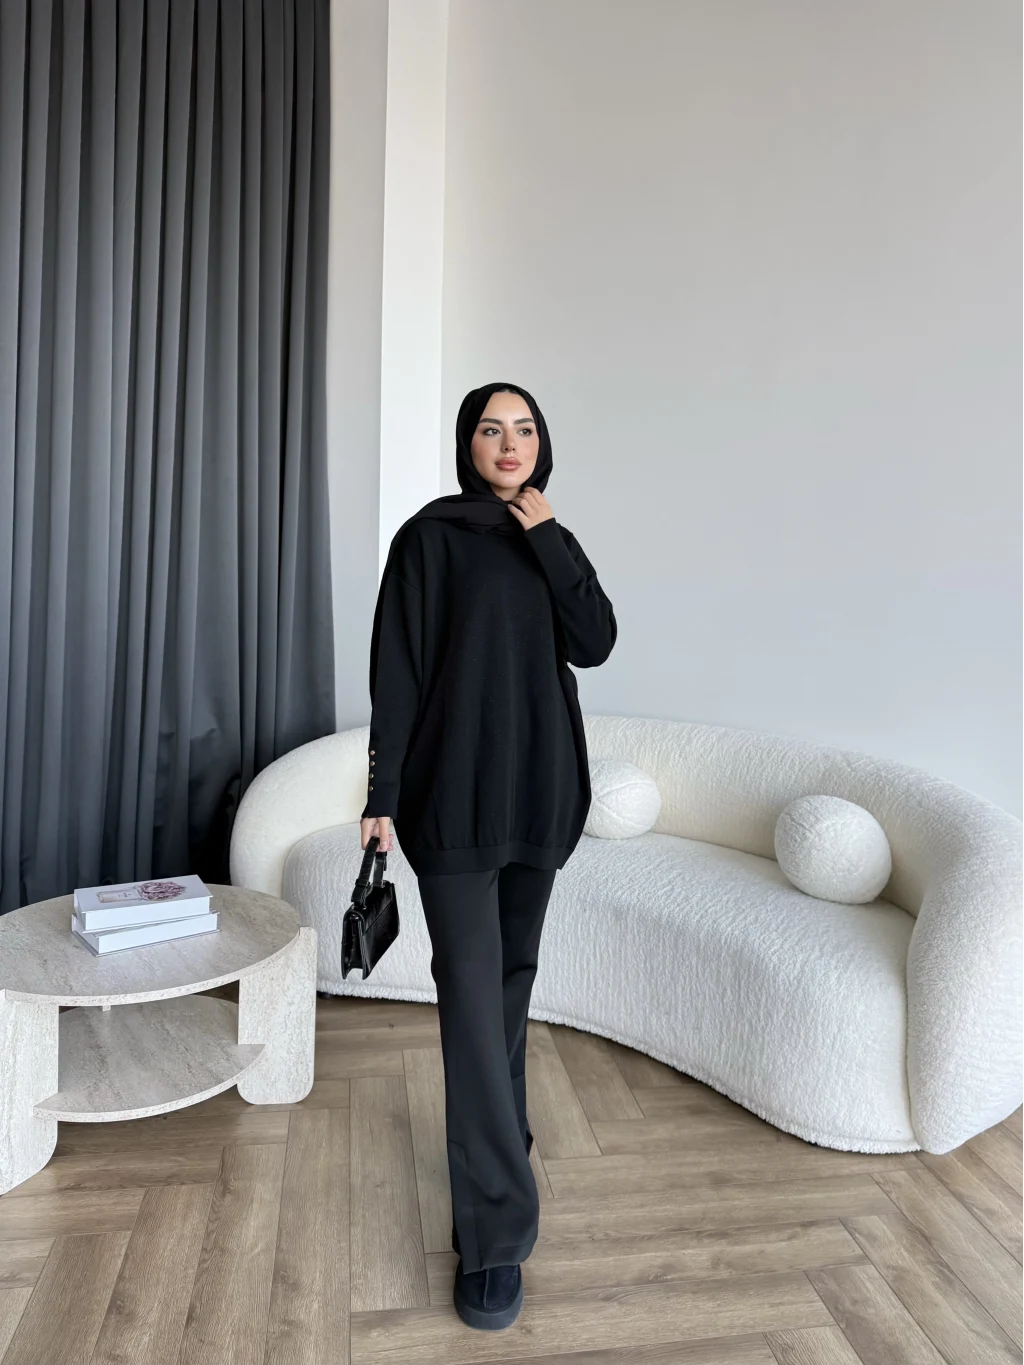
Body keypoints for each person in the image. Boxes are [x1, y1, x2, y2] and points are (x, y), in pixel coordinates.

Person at [359, 380, 616, 1331]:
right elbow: (396, 674)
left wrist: (547, 538)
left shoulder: (553, 537)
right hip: (453, 800)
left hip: (539, 792)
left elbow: (596, 641)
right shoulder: (429, 539)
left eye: (525, 429)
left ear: (542, 444)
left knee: (508, 986)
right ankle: (496, 1234)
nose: (510, 444)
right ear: (466, 444)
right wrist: (382, 795)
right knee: (470, 1001)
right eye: (490, 429)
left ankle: (500, 1141)